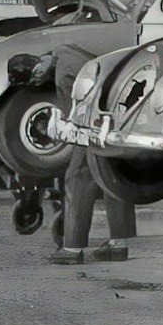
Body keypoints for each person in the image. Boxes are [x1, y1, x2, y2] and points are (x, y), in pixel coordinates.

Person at [50, 51, 133, 265]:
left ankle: (72, 247)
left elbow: (74, 115)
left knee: (77, 175)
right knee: (111, 170)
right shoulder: (74, 48)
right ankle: (119, 244)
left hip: (93, 117)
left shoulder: (64, 63)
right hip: (121, 103)